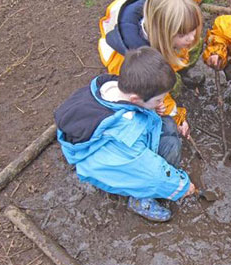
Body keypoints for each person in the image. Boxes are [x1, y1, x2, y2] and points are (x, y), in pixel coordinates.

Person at [54, 47, 196, 222]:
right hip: (111, 162)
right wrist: (180, 186)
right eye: (159, 99)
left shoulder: (111, 87)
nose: (162, 102)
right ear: (136, 99)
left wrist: (153, 108)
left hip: (104, 144)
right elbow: (150, 171)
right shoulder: (125, 135)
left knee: (167, 123)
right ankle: (140, 199)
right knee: (171, 146)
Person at [98, 0, 203, 135]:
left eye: (193, 29)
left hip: (164, 48)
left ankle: (184, 70)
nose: (191, 37)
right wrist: (177, 118)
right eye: (183, 34)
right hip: (142, 66)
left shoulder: (166, 0)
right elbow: (156, 94)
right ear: (163, 35)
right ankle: (175, 77)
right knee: (170, 84)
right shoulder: (136, 61)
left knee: (196, 44)